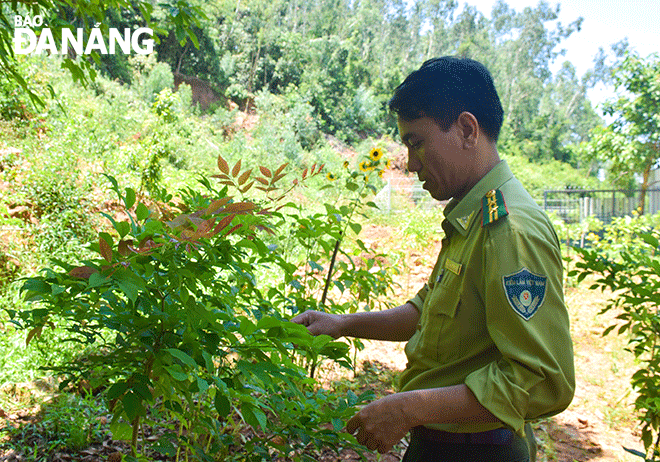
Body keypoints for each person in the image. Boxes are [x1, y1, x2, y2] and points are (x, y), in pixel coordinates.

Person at [292, 56, 575, 462]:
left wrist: (408, 407)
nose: (411, 164)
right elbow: (426, 312)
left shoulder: (509, 229)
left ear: (466, 129)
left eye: (416, 142)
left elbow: (543, 380)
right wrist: (342, 324)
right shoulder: (474, 216)